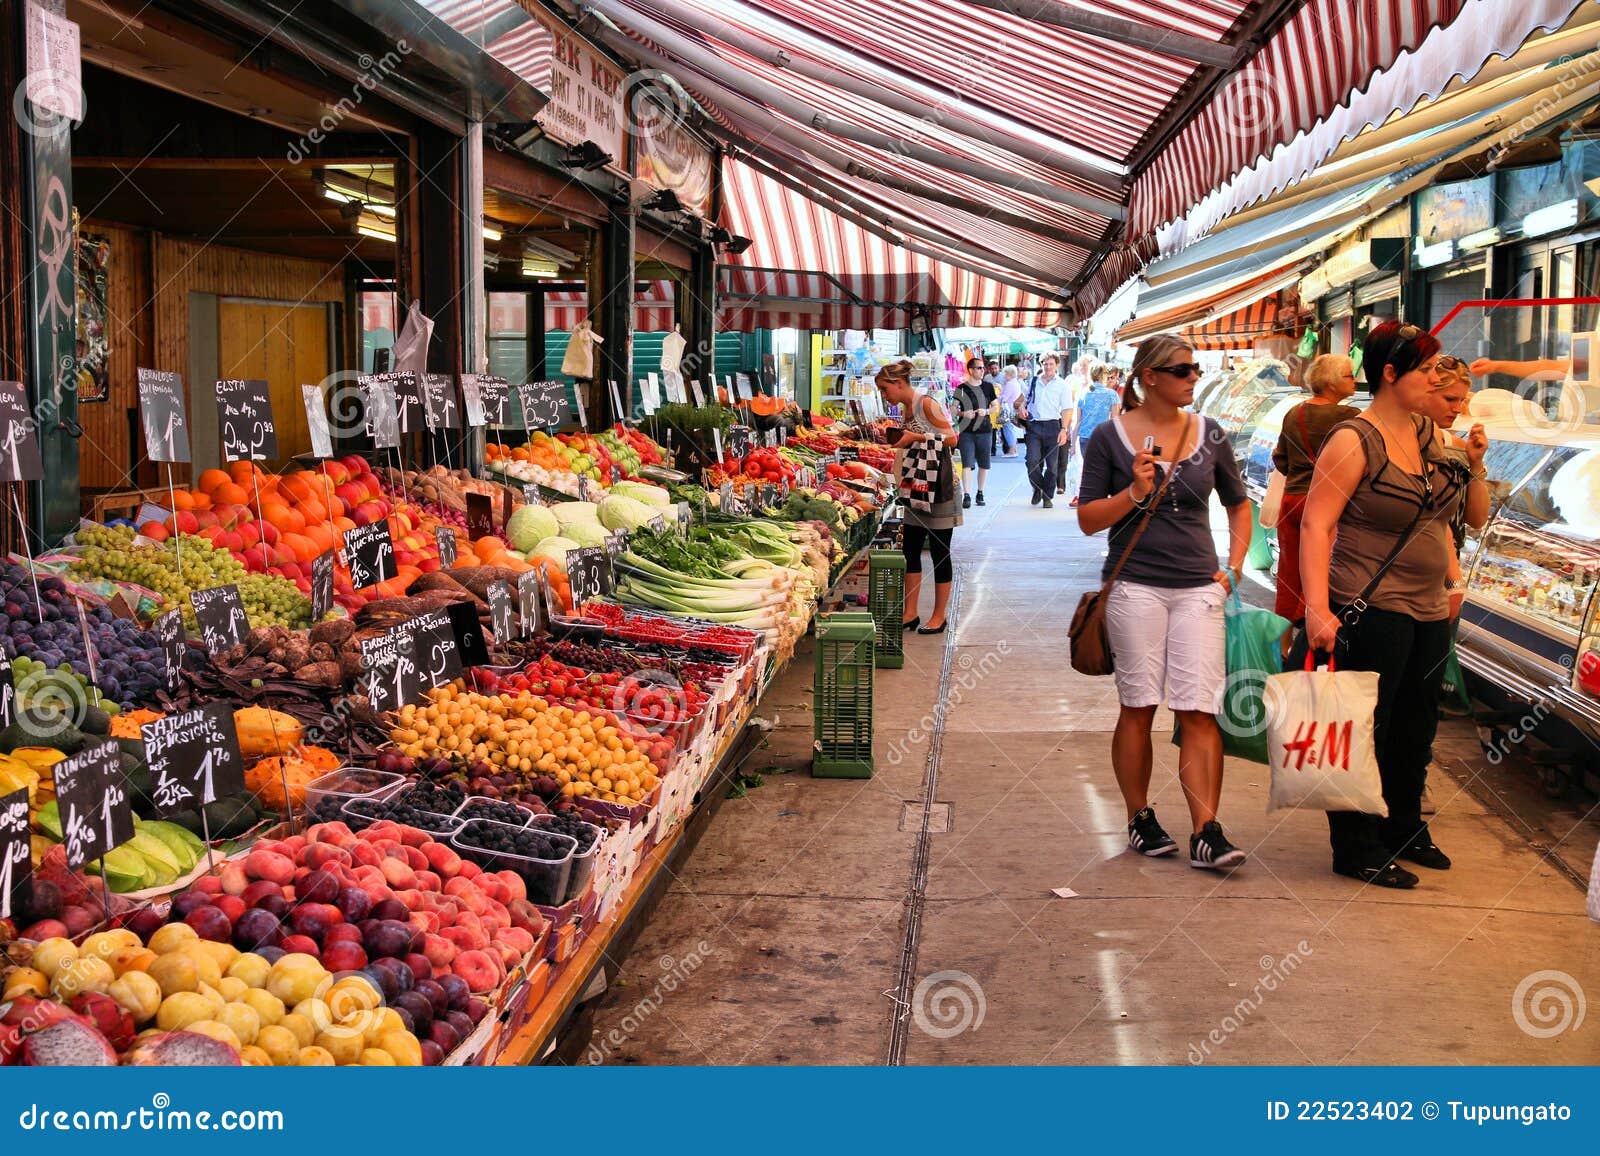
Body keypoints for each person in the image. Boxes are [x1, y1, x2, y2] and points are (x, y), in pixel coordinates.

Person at [1299, 322, 1490, 889]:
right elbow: (1315, 523)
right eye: (1425, 370)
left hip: (1430, 609)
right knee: (1365, 728)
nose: (1434, 379)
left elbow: (1473, 518)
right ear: (1390, 373)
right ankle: (1355, 845)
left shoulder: (1430, 433)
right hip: (1369, 604)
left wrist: (1475, 461)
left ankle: (1403, 827)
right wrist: (1316, 609)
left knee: (1415, 728)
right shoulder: (1353, 439)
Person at [1078, 334, 1253, 871]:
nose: (1193, 378)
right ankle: (1140, 816)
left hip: (1200, 586)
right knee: (1138, 705)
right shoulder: (1109, 438)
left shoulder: (1211, 434)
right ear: (1149, 377)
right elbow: (1087, 520)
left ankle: (1207, 830)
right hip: (1135, 585)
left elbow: (1240, 504)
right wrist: (1133, 493)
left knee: (1200, 708)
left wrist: (1233, 569)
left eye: (1195, 370)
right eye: (1182, 370)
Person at [1268, 354, 1362, 621]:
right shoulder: (1351, 416)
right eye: (1348, 375)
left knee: (1289, 572)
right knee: (1320, 575)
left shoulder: (1294, 412)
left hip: (1291, 501)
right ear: (1331, 383)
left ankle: (1282, 644)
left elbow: (1280, 458)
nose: (1354, 380)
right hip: (1326, 508)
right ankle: (1308, 639)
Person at [876, 360, 960, 634]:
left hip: (938, 488)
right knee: (910, 548)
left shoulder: (926, 403)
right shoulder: (906, 408)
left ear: (899, 384)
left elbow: (951, 439)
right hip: (916, 486)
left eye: (885, 389)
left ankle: (939, 616)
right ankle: (910, 612)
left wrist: (916, 436)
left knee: (939, 552)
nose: (884, 395)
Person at [1015, 352, 1072, 508]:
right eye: (1045, 364)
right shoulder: (1034, 382)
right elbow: (1023, 401)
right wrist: (1022, 409)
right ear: (1041, 365)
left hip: (1053, 425)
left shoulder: (1062, 385)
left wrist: (1064, 429)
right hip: (1035, 426)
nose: (1047, 367)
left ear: (1057, 365)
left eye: (1051, 364)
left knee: (1052, 466)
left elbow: (1067, 409)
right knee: (1032, 461)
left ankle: (1047, 496)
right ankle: (1038, 488)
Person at [1068, 363, 1122, 508]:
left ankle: (1089, 500)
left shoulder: (1083, 393)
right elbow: (1115, 421)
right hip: (1103, 438)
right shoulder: (1112, 394)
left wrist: (1072, 445)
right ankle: (1099, 503)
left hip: (1084, 438)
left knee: (1090, 470)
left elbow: (1078, 422)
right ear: (1105, 376)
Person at [953, 358, 995, 508]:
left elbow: (996, 406)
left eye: (983, 368)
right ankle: (967, 494)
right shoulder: (962, 388)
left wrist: (987, 411)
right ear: (970, 370)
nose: (982, 370)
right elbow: (953, 409)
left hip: (985, 430)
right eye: (979, 368)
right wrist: (964, 414)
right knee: (967, 463)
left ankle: (980, 492)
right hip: (967, 431)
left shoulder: (988, 387)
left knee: (984, 463)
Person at [997, 367, 1023, 456]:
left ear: (1009, 374)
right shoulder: (1016, 383)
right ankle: (1014, 449)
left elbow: (1004, 398)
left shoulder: (1010, 384)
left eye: (1005, 374)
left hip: (1007, 409)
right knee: (1010, 429)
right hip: (1013, 408)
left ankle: (1012, 450)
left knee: (1008, 429)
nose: (1004, 376)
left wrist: (998, 395)